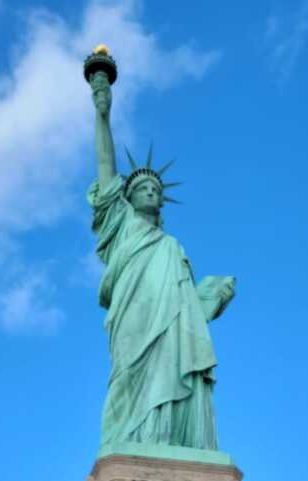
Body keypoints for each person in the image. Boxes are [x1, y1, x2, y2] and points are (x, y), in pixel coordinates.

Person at [88, 67, 236, 454]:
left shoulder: (172, 247)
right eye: (141, 188)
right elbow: (106, 168)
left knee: (174, 366)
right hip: (133, 320)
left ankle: (174, 441)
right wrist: (102, 110)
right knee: (128, 377)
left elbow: (189, 312)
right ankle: (132, 442)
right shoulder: (120, 225)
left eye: (155, 188)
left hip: (170, 328)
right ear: (128, 198)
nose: (150, 191)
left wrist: (212, 299)